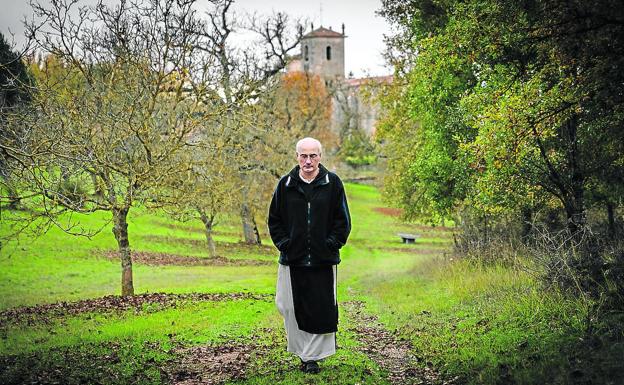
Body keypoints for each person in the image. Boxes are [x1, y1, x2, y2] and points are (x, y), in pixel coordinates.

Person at [268, 137, 351, 374]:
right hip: (292, 259)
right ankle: (302, 350)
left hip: (322, 260)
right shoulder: (285, 185)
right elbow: (274, 220)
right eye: (303, 156)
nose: (308, 161)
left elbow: (342, 221)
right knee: (288, 306)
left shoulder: (332, 183)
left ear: (320, 157)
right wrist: (285, 244)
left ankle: (311, 357)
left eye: (313, 155)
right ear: (296, 157)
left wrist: (330, 244)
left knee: (320, 309)